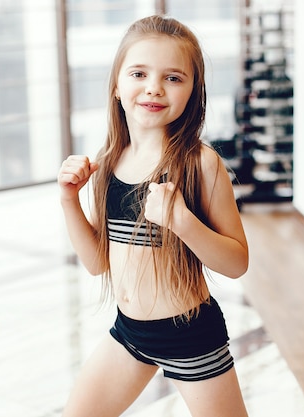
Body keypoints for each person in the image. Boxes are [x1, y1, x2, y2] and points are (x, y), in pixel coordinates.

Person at [57, 15, 249, 417]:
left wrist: (183, 223)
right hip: (130, 333)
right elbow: (97, 263)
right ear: (116, 85)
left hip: (191, 336)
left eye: (173, 78)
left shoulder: (200, 164)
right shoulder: (109, 165)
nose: (154, 88)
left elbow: (237, 263)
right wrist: (68, 199)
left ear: (193, 91)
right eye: (139, 73)